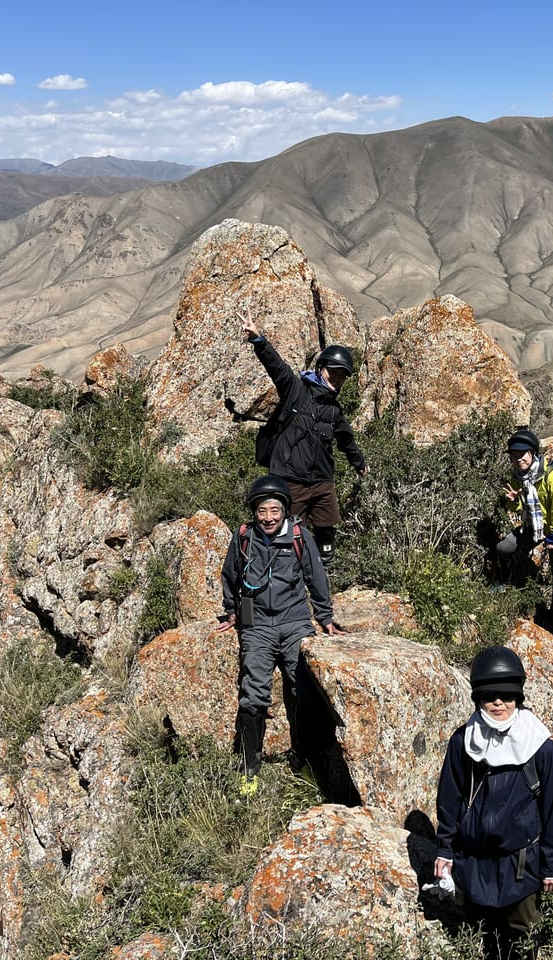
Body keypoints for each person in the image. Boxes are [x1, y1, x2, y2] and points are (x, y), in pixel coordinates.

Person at [215, 474, 344, 796]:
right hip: (256, 625)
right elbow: (230, 575)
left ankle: (307, 761)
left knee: (303, 687)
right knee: (253, 692)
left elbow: (316, 577)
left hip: (295, 622)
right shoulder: (243, 536)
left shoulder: (299, 535)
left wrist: (325, 618)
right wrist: (233, 611)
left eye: (274, 510)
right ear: (254, 512)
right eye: (262, 511)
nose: (268, 517)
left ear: (284, 510)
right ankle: (249, 770)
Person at [434, 646, 553, 960]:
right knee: (483, 937)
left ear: (517, 697)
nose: (498, 703)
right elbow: (449, 798)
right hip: (474, 861)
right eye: (489, 696)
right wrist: (444, 849)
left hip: (521, 864)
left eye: (506, 696)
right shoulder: (463, 742)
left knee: (522, 937)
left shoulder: (539, 746)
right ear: (477, 698)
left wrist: (551, 865)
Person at [242, 310, 365, 569]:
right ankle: (289, 579)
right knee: (289, 536)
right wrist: (258, 339)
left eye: (343, 375)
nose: (339, 379)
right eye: (335, 372)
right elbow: (277, 368)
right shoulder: (296, 391)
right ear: (321, 369)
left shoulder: (334, 411)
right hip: (291, 479)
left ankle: (323, 578)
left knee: (327, 532)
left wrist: (359, 463)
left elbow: (346, 440)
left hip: (322, 481)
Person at [496, 428, 553, 610]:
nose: (518, 458)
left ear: (533, 453)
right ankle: (507, 585)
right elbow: (518, 508)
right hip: (535, 524)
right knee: (504, 548)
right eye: (514, 454)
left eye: (522, 453)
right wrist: (514, 501)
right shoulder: (518, 477)